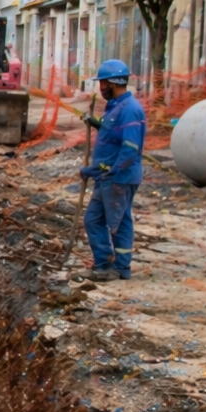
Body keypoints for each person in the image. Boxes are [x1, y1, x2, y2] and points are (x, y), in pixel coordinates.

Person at [79, 59, 147, 282]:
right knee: (94, 219)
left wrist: (112, 171)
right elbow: (113, 134)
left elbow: (130, 148)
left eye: (103, 83)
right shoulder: (116, 107)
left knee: (118, 223)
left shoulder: (130, 110)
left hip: (118, 177)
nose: (101, 88)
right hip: (108, 176)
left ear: (114, 82)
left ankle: (119, 267)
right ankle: (104, 263)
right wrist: (95, 123)